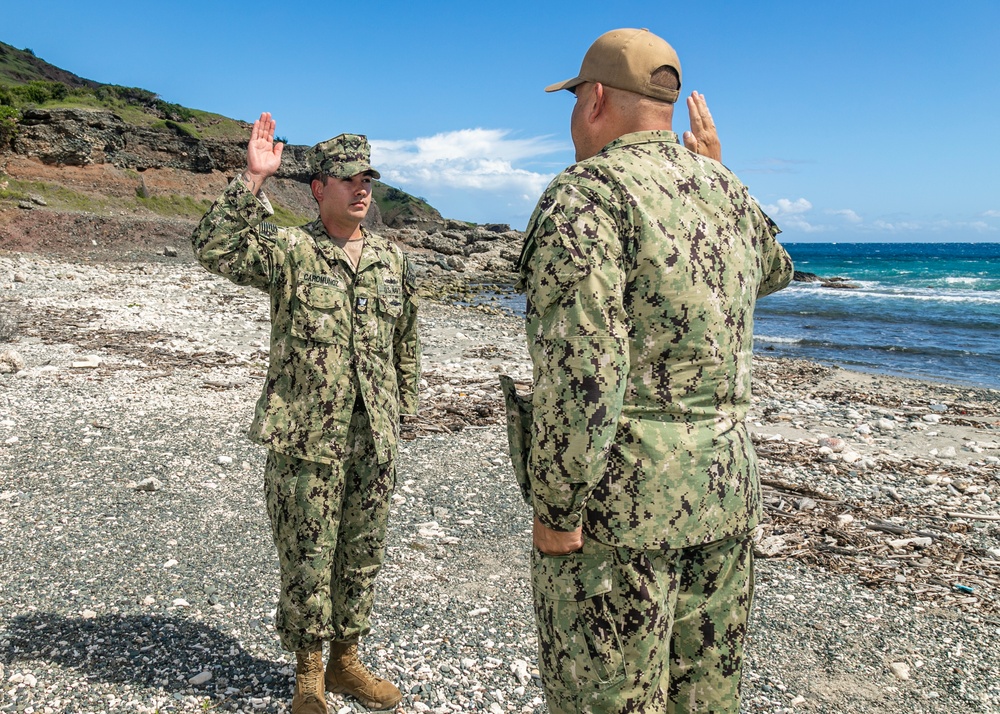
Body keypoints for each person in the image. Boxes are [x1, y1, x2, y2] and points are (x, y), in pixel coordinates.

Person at [515, 28, 793, 713]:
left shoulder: (586, 194)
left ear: (597, 99)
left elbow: (585, 369)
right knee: (705, 698)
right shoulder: (721, 191)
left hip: (622, 508)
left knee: (606, 698)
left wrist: (555, 505)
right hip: (725, 493)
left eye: (576, 98)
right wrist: (722, 174)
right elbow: (776, 269)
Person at [192, 113, 419, 713]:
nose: (361, 188)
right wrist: (252, 179)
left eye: (368, 177)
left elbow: (407, 349)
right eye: (347, 178)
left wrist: (401, 418)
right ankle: (309, 672)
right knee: (307, 557)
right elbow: (213, 248)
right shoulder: (292, 249)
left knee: (362, 554)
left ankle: (347, 662)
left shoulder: (393, 262)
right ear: (319, 189)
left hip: (374, 439)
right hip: (305, 439)